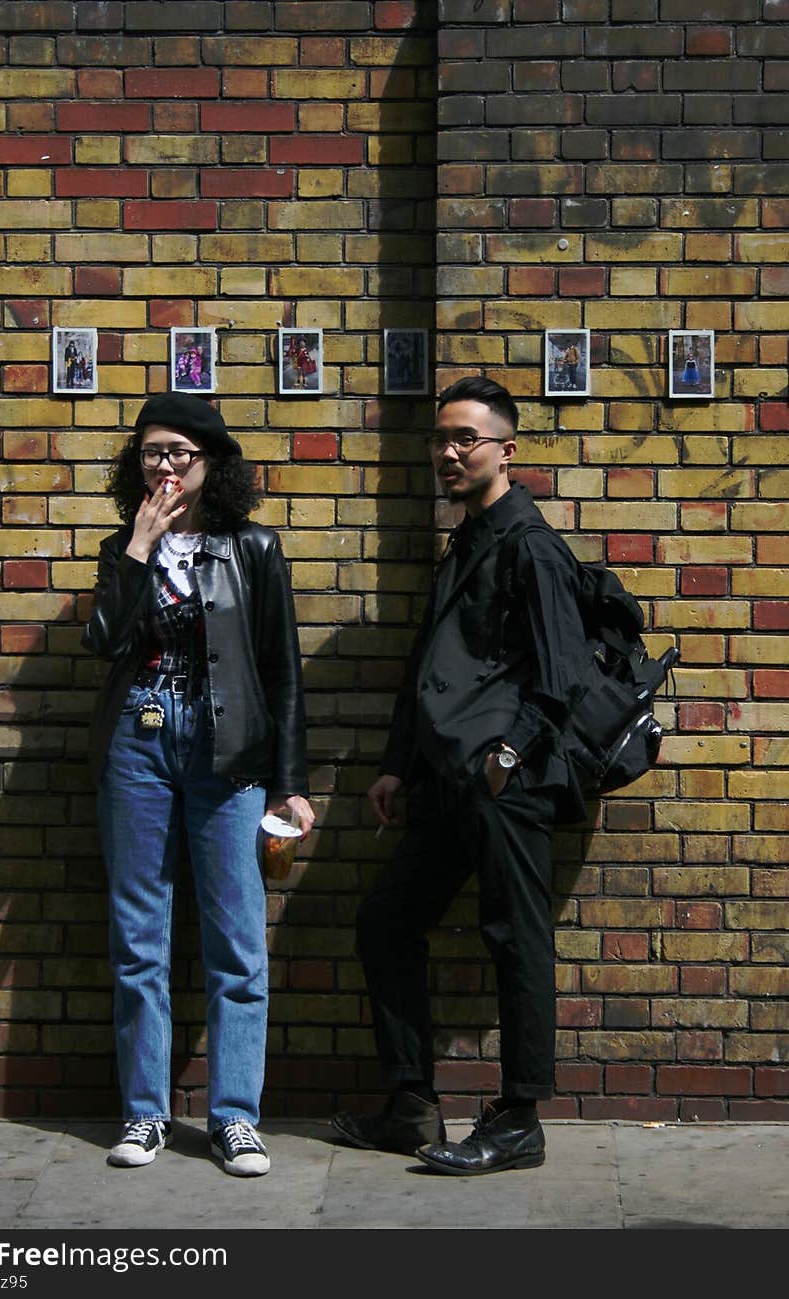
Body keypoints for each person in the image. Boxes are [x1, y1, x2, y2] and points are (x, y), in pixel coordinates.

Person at [332, 376, 590, 1176]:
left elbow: (563, 674)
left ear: (506, 450)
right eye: (440, 438)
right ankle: (411, 1104)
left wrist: (506, 760)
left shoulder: (530, 545)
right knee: (384, 920)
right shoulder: (467, 540)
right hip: (447, 779)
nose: (448, 452)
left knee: (517, 937)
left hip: (503, 783)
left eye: (465, 439)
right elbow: (430, 664)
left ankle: (519, 1118)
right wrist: (394, 765)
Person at [83, 392, 314, 1177]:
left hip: (230, 752)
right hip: (137, 744)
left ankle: (234, 1117)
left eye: (180, 452)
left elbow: (282, 670)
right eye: (152, 451)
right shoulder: (125, 545)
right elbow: (101, 643)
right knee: (139, 935)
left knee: (238, 939)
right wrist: (139, 550)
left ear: (212, 465)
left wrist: (291, 782)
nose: (165, 465)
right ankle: (145, 1113)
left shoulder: (253, 547)